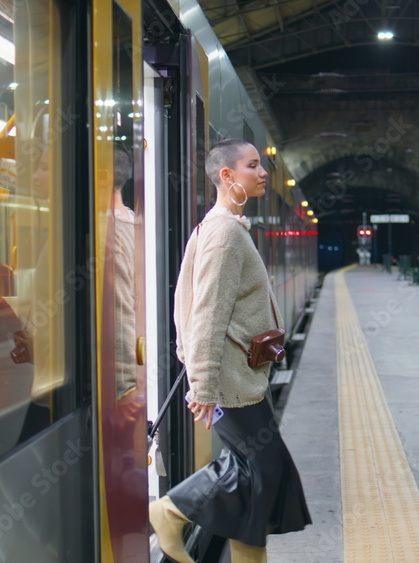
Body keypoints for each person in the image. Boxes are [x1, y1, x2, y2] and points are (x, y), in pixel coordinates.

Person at [149, 140, 311, 563]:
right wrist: (202, 387)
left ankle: (241, 553)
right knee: (263, 468)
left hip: (239, 378)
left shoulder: (226, 228)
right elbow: (207, 314)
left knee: (259, 473)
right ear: (227, 176)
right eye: (252, 165)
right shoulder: (223, 234)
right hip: (228, 383)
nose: (262, 174)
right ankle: (171, 510)